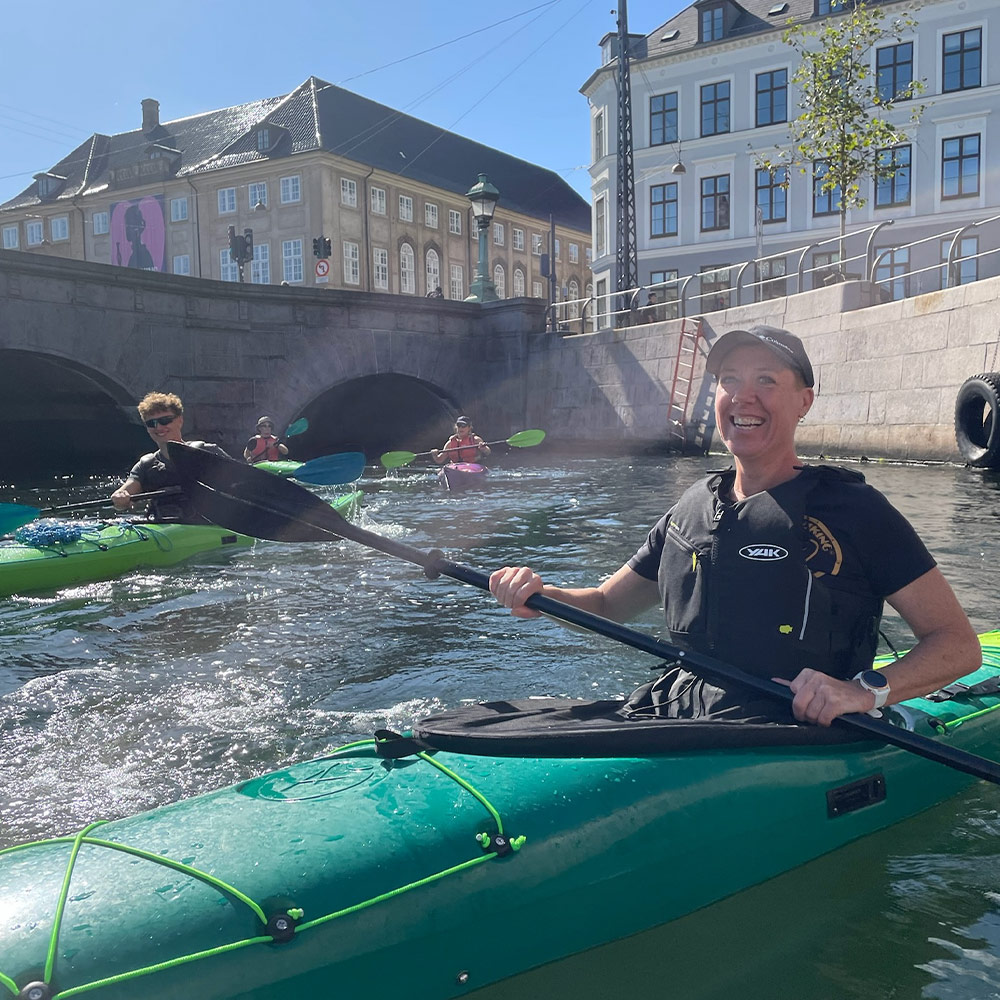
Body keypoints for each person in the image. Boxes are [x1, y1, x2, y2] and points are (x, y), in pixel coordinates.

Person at [489, 325, 980, 727]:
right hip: (681, 711)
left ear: (804, 401)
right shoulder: (690, 507)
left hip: (799, 728)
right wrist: (540, 594)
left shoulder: (855, 509)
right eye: (729, 379)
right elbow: (607, 604)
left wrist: (862, 692)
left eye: (766, 380)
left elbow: (957, 645)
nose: (743, 397)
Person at [111, 392, 231, 523]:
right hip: (166, 530)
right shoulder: (146, 465)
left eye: (165, 421)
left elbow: (238, 480)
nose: (158, 427)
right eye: (151, 423)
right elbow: (125, 492)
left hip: (209, 528)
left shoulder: (207, 451)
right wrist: (120, 498)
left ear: (180, 421)